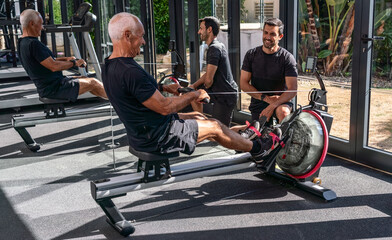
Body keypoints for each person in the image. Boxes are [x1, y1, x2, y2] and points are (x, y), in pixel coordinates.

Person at [102, 12, 282, 163]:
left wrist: (164, 87)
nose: (143, 42)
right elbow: (165, 107)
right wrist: (194, 94)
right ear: (127, 35)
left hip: (144, 130)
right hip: (158, 136)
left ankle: (246, 135)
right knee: (215, 127)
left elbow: (133, 91)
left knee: (199, 117)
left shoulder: (109, 66)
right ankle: (259, 149)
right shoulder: (131, 71)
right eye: (140, 36)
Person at [18, 9, 107, 102]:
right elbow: (54, 66)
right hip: (54, 88)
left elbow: (48, 60)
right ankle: (120, 102)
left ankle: (112, 101)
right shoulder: (34, 44)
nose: (42, 27)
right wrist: (74, 63)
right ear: (31, 24)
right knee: (93, 83)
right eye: (40, 24)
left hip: (50, 85)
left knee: (87, 80)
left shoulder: (22, 42)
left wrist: (67, 59)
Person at [240, 18, 298, 135]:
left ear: (280, 36)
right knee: (258, 137)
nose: (267, 37)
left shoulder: (287, 58)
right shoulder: (251, 55)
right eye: (265, 32)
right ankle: (235, 132)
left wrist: (273, 104)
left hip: (281, 101)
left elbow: (292, 89)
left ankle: (285, 145)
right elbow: (243, 84)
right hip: (259, 101)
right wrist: (266, 99)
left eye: (272, 34)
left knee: (283, 112)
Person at [189, 16, 238, 127]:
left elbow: (209, 81)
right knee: (193, 94)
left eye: (201, 28)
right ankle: (202, 124)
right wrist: (194, 85)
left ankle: (248, 130)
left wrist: (203, 88)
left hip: (226, 95)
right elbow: (209, 74)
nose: (198, 32)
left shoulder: (214, 48)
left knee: (221, 132)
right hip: (218, 91)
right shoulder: (216, 46)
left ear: (209, 29)